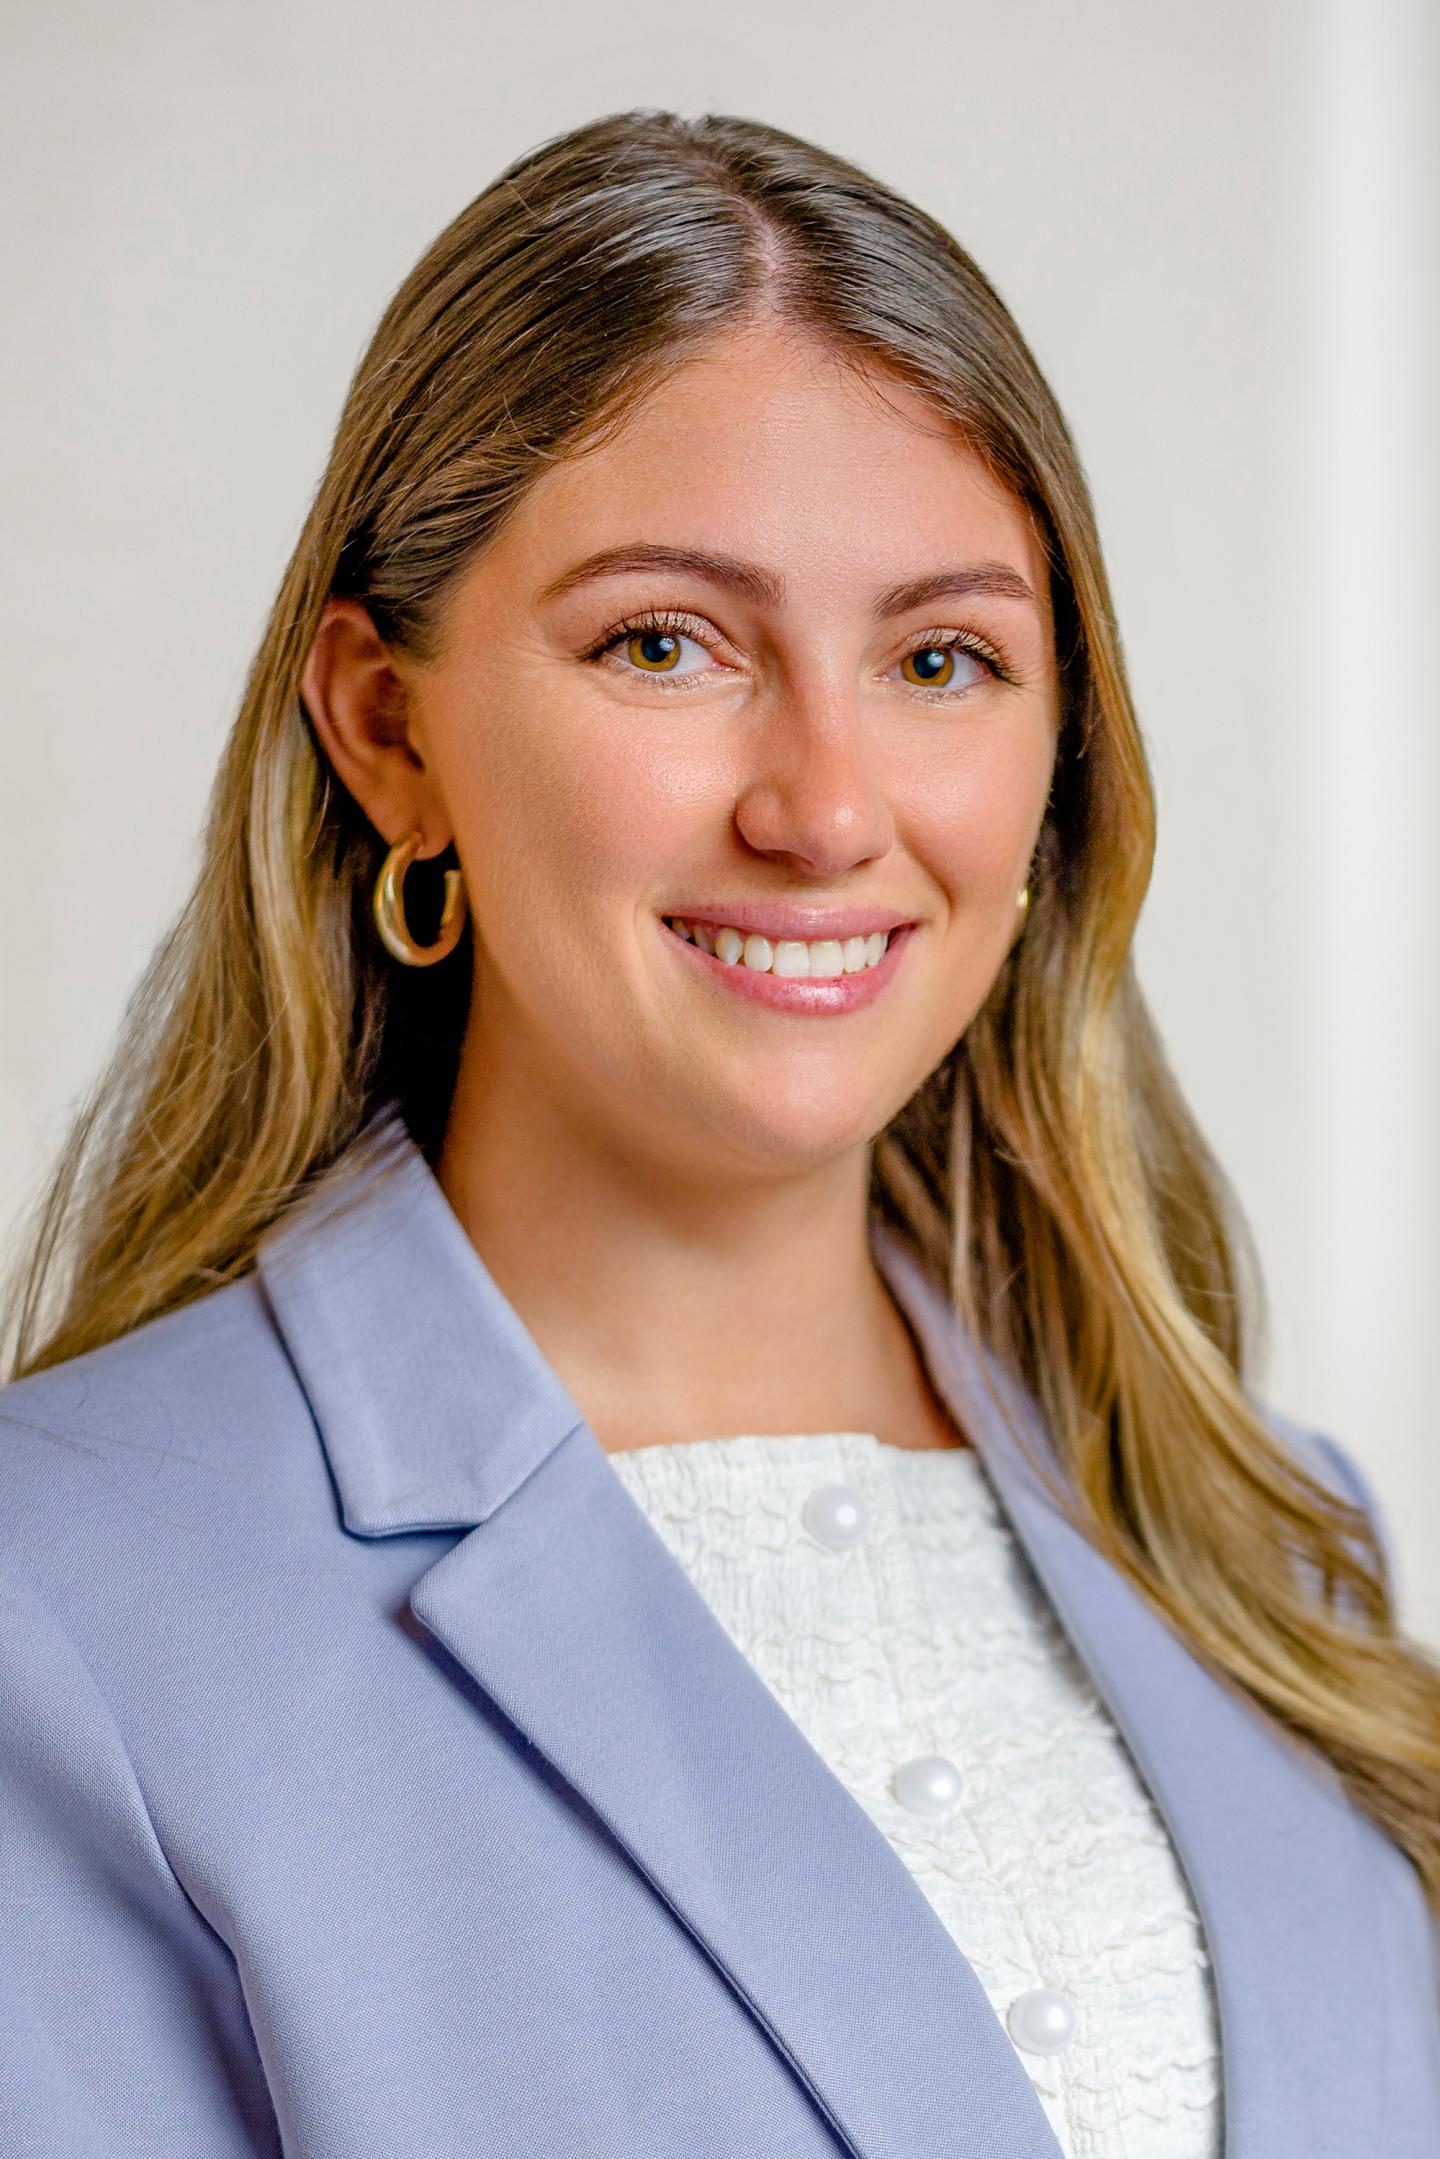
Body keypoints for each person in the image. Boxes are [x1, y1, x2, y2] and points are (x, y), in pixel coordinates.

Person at [1, 108, 1437, 2159]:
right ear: (386, 729)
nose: (828, 807)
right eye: (666, 643)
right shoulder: (65, 1605)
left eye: (943, 659)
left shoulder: (1276, 1555)